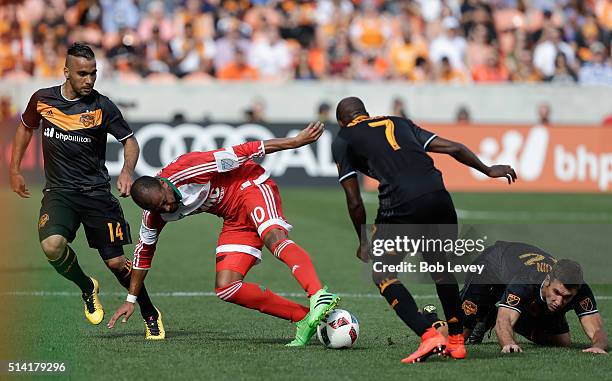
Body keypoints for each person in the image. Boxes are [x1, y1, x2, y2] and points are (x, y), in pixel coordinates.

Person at [107, 122, 340, 347]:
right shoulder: (153, 215)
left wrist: (295, 141)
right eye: (160, 208)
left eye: (166, 202)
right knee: (227, 287)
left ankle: (318, 294)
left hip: (249, 185)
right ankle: (303, 318)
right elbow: (143, 255)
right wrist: (131, 299)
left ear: (164, 184)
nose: (168, 208)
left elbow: (244, 150)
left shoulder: (189, 167)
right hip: (232, 216)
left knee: (273, 238)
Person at [332, 97, 516, 363]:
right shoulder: (398, 122)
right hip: (440, 197)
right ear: (367, 113)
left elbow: (354, 200)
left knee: (382, 272)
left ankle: (428, 336)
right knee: (440, 268)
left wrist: (363, 239)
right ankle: (456, 341)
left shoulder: (343, 138)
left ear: (341, 122)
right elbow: (454, 147)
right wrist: (487, 170)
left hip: (401, 204)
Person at [8, 42, 164, 340]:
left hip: (96, 194)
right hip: (59, 192)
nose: (89, 80)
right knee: (52, 246)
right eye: (82, 74)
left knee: (117, 263)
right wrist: (15, 169)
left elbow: (129, 141)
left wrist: (127, 172)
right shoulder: (42, 100)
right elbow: (26, 127)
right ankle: (86, 287)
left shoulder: (102, 106)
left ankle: (149, 312)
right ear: (66, 72)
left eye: (93, 73)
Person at [424, 241, 608, 354]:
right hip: (491, 268)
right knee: (458, 335)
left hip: (516, 279)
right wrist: (509, 344)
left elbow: (596, 329)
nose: (560, 302)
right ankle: (430, 319)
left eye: (567, 297)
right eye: (557, 293)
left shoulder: (580, 288)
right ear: (548, 280)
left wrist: (598, 346)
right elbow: (504, 320)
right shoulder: (527, 281)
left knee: (561, 341)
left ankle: (490, 314)